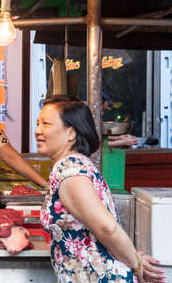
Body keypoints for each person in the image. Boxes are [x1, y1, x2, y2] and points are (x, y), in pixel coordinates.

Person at [36, 95, 164, 283]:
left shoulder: (71, 171)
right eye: (37, 123)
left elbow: (107, 227)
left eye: (46, 124)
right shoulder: (74, 165)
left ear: (71, 134)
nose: (38, 130)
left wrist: (136, 263)